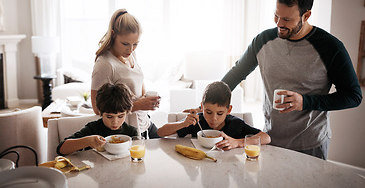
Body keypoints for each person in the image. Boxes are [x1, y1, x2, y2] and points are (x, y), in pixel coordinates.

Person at [220, 0, 362, 159]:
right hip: (270, 139)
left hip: (311, 144)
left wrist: (305, 102)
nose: (279, 24)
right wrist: (207, 102)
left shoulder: (331, 47)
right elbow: (236, 74)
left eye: (286, 19)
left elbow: (353, 96)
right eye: (276, 16)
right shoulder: (263, 40)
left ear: (306, 15)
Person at [91, 9, 160, 139]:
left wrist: (147, 99)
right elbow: (97, 108)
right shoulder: (105, 64)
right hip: (126, 130)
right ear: (113, 35)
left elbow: (138, 81)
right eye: (125, 44)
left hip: (144, 122)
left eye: (135, 44)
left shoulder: (131, 54)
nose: (130, 49)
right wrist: (139, 105)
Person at [158, 81, 271, 150]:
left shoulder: (236, 124)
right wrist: (182, 124)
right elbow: (160, 132)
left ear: (229, 110)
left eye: (220, 113)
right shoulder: (197, 121)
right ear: (202, 107)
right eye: (208, 112)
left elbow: (266, 138)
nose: (214, 118)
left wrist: (237, 142)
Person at [57, 83, 138, 156]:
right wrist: (87, 141)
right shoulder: (93, 129)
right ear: (100, 112)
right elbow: (61, 149)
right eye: (109, 117)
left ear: (127, 112)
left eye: (120, 116)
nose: (115, 122)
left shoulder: (131, 132)